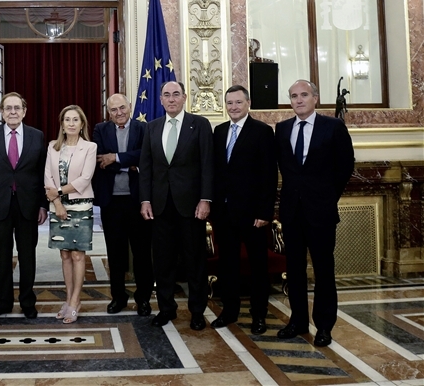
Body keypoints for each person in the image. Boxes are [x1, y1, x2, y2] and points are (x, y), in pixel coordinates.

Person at [275, 79, 354, 347]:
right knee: (294, 270)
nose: (298, 100)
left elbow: (345, 167)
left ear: (315, 98)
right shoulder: (282, 129)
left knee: (323, 270)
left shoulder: (333, 127)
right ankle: (297, 321)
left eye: (304, 95)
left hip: (321, 211)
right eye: (294, 96)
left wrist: (328, 197)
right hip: (291, 212)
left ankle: (324, 326)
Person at [139, 81, 214, 329]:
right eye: (166, 95)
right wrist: (145, 200)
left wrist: (205, 199)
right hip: (160, 206)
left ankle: (196, 311)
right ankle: (166, 309)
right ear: (160, 100)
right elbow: (146, 168)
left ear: (184, 97)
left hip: (191, 206)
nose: (171, 99)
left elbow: (206, 164)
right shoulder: (152, 128)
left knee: (194, 261)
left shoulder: (199, 125)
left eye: (176, 95)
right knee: (163, 262)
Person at [210, 85, 277, 334]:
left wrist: (264, 212)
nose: (234, 107)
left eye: (238, 102)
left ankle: (259, 316)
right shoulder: (219, 131)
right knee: (228, 266)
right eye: (229, 103)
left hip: (253, 215)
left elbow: (269, 175)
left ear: (248, 103)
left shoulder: (262, 132)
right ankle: (229, 312)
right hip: (224, 214)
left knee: (258, 267)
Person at [0, 92, 47, 320]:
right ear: (1, 112)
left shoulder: (37, 136)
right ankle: (3, 302)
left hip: (28, 205)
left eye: (17, 108)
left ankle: (27, 302)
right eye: (8, 108)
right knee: (2, 256)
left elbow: (43, 173)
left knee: (28, 257)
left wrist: (43, 205)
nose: (13, 112)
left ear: (24, 111)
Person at [92, 94, 153, 317]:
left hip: (138, 201)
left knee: (142, 253)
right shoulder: (100, 129)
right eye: (114, 110)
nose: (119, 113)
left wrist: (116, 159)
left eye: (122, 108)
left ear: (130, 107)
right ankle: (118, 298)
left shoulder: (143, 128)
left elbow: (145, 156)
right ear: (108, 113)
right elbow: (99, 159)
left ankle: (143, 299)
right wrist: (131, 164)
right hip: (111, 202)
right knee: (115, 253)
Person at [44, 105, 97, 324]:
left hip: (81, 206)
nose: (72, 123)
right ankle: (67, 300)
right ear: (62, 124)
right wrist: (57, 202)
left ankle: (76, 301)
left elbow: (85, 179)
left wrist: (57, 192)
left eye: (76, 120)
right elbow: (47, 177)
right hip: (58, 207)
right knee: (65, 254)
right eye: (68, 120)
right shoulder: (52, 147)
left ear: (82, 124)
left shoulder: (90, 147)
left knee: (77, 255)